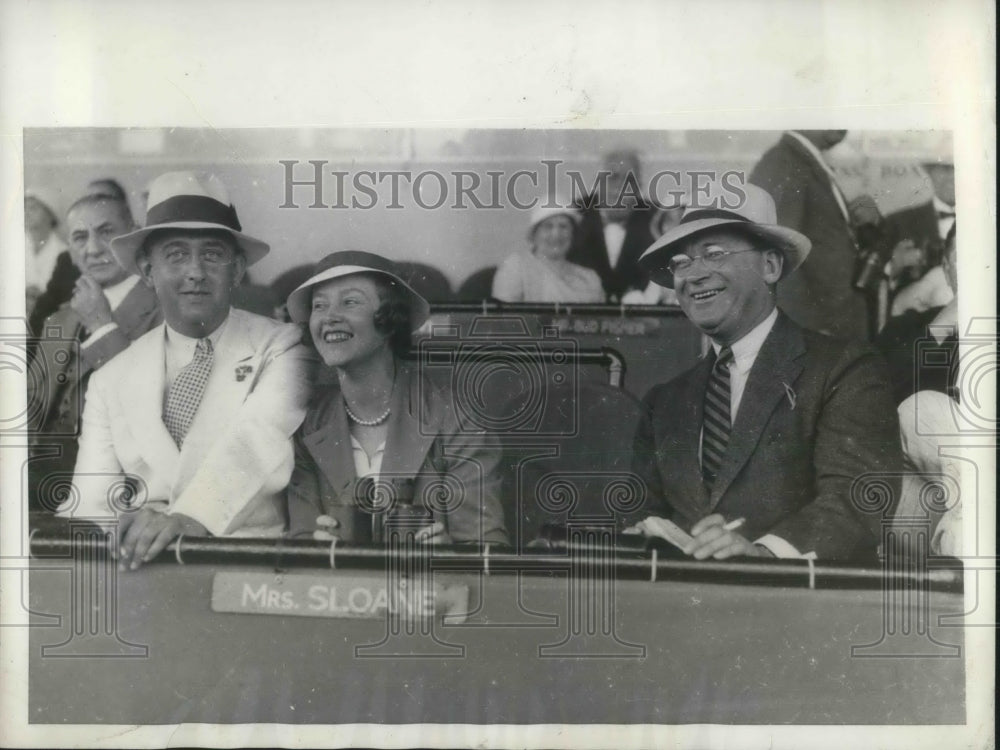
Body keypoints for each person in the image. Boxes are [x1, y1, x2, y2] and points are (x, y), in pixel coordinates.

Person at [631, 183, 902, 562]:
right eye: (682, 262)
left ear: (770, 266)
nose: (693, 275)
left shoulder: (845, 369)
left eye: (714, 254)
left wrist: (763, 553)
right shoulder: (663, 402)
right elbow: (642, 514)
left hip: (798, 610)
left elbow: (860, 498)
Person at [59, 171, 314, 568]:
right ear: (146, 271)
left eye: (212, 253)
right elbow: (91, 503)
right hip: (142, 568)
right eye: (176, 254)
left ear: (237, 268)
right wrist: (129, 536)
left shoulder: (282, 346)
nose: (195, 270)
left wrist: (185, 519)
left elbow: (256, 442)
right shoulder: (112, 376)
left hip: (247, 567)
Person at [285, 251, 508, 544]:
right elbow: (300, 548)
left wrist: (451, 557)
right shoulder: (306, 424)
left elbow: (487, 547)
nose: (329, 317)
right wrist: (312, 549)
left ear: (391, 319)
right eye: (319, 305)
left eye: (350, 302)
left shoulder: (458, 420)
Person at [27, 193, 161, 510]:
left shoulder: (163, 311)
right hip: (37, 482)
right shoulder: (59, 317)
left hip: (119, 487)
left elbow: (149, 409)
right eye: (80, 237)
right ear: (70, 252)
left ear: (134, 236)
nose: (93, 248)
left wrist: (101, 324)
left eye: (106, 232)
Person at [749, 130, 877, 340]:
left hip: (832, 326)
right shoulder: (785, 162)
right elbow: (775, 251)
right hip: (816, 331)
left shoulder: (802, 161)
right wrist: (806, 330)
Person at [875, 223, 958, 405]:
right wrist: (938, 330)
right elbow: (875, 390)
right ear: (946, 270)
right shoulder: (905, 328)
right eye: (965, 259)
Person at [492, 204, 604, 303]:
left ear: (573, 233)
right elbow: (504, 322)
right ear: (534, 234)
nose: (556, 234)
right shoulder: (516, 267)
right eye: (548, 226)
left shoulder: (590, 279)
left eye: (563, 226)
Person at [25, 187, 78, 335]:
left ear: (50, 214)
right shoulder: (10, 246)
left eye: (33, 208)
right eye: (25, 208)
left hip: (44, 322)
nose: (26, 213)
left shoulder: (64, 252)